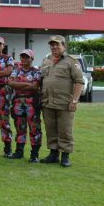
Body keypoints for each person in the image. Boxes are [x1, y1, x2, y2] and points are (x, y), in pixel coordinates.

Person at [39, 35, 84, 167]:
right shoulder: (46, 60)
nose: (54, 47)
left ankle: (65, 156)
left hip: (65, 102)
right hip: (47, 102)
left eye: (57, 44)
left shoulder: (71, 61)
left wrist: (74, 101)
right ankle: (53, 154)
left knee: (65, 130)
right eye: (52, 45)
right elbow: (41, 80)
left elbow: (79, 81)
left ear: (64, 46)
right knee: (50, 129)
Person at [7, 49, 43, 162]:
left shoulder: (36, 71)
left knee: (34, 128)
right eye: (22, 57)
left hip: (32, 102)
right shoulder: (16, 71)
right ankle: (19, 152)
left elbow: (35, 87)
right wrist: (27, 84)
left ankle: (34, 154)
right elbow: (11, 83)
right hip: (18, 102)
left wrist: (19, 85)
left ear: (32, 59)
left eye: (27, 57)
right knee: (20, 127)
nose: (24, 59)